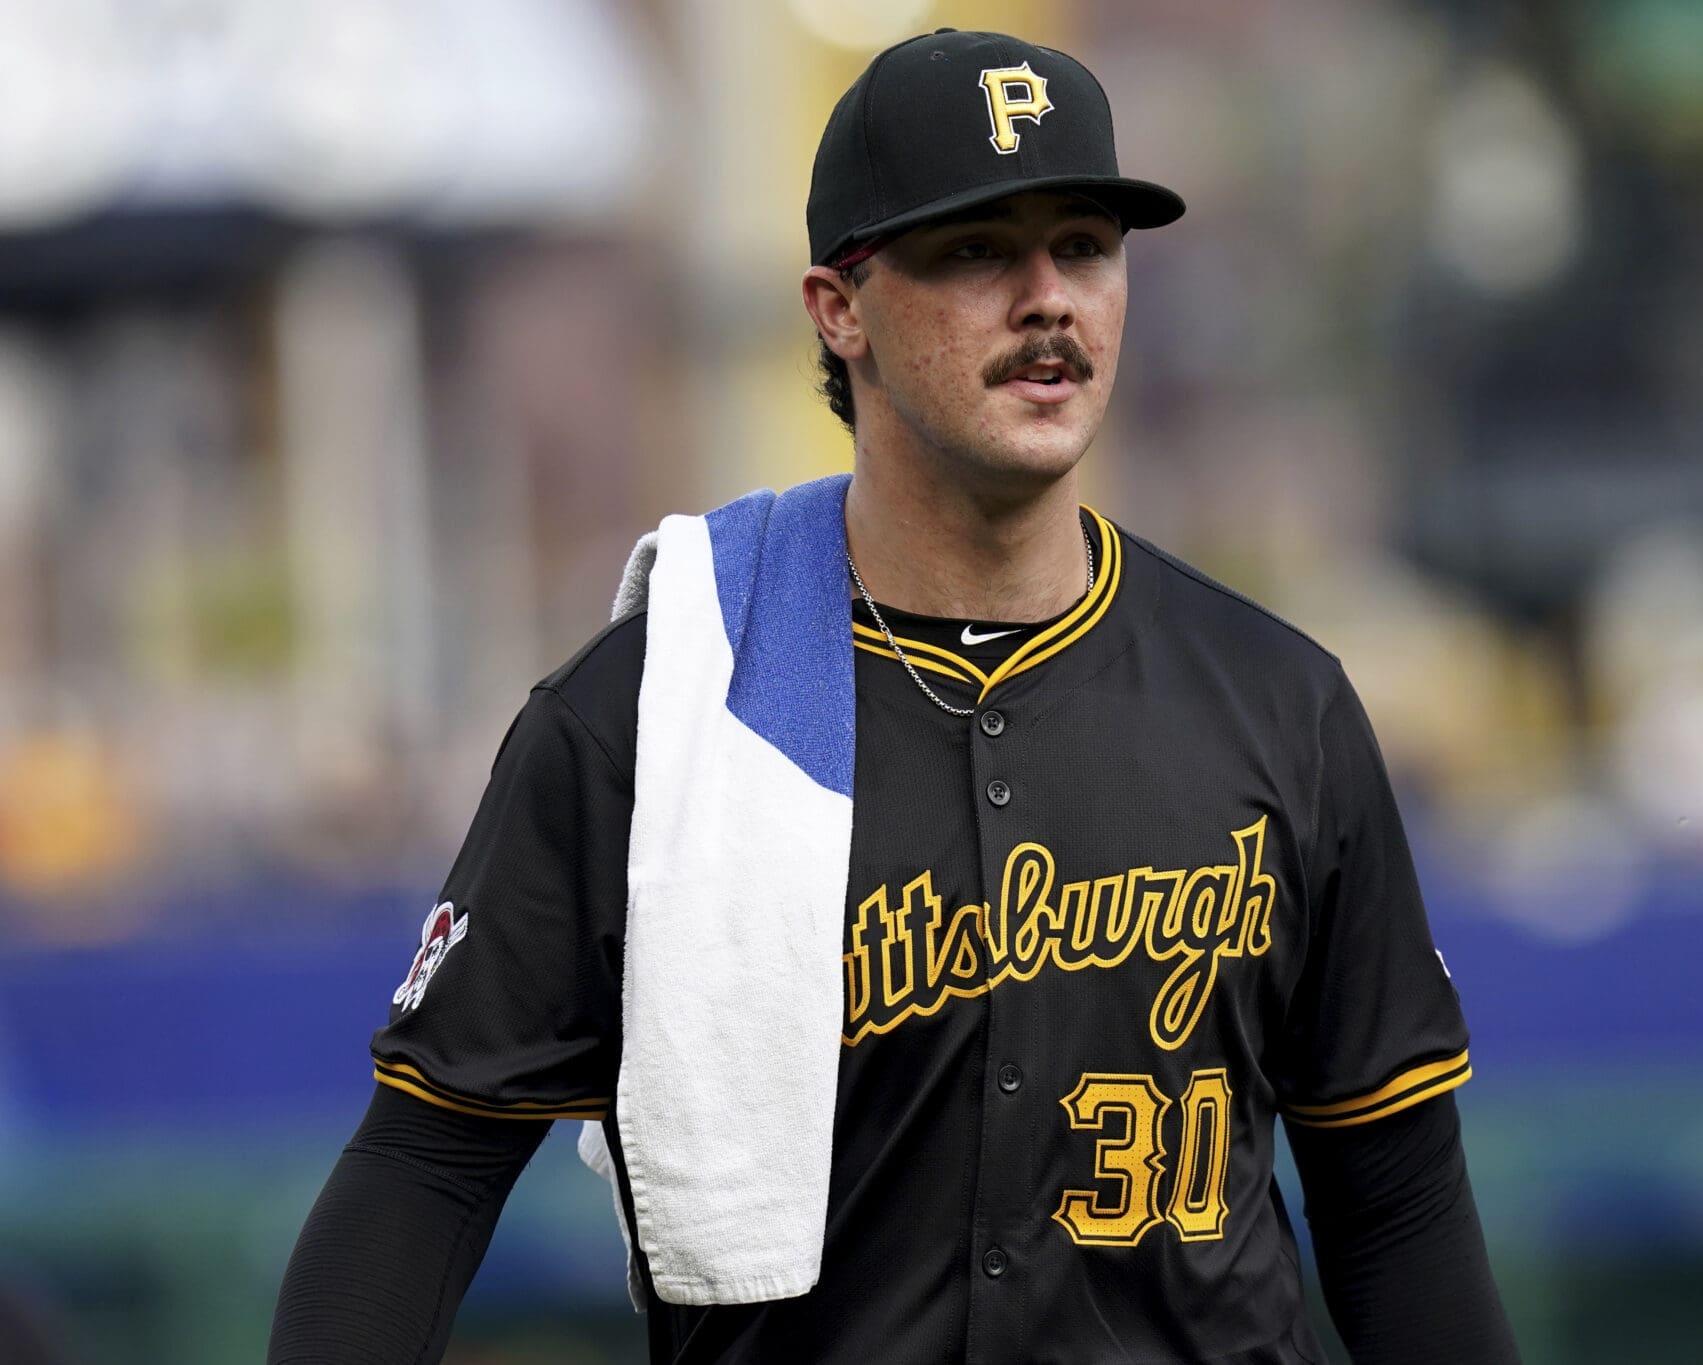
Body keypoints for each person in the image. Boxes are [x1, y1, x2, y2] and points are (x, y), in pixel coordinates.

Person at [269, 28, 1520, 1365]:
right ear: (837, 307)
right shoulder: (665, 711)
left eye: (1086, 245)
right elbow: (423, 1172)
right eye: (978, 250)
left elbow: (1394, 1210)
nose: (1049, 299)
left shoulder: (1281, 704)